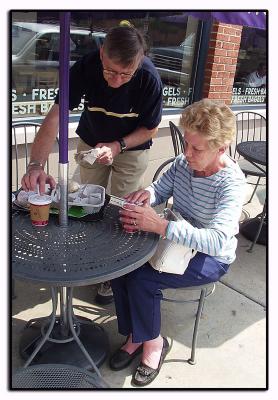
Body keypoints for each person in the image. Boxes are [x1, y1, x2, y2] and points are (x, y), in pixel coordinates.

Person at [21, 25, 163, 305]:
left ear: (138, 63)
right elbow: (54, 118)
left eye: (126, 74)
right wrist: (35, 164)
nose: (117, 81)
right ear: (101, 54)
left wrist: (117, 146)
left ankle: (113, 272)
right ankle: (84, 254)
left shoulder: (148, 78)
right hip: (92, 140)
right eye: (111, 71)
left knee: (123, 206)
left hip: (131, 147)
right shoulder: (84, 68)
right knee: (83, 203)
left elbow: (151, 129)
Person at [108, 99, 246, 387]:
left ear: (220, 148)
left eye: (197, 148)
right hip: (176, 239)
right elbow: (161, 187)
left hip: (211, 257)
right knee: (121, 266)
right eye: (186, 144)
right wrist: (146, 194)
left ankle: (154, 344)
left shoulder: (230, 183)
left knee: (143, 280)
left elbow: (217, 239)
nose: (187, 153)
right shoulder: (184, 164)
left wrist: (161, 225)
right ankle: (137, 333)